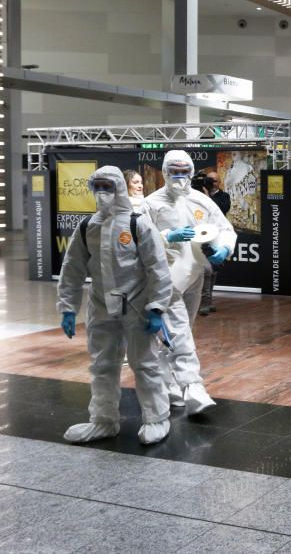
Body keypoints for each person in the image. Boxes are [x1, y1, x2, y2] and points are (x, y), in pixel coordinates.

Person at [57, 166, 173, 445]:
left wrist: (157, 307)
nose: (102, 193)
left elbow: (158, 268)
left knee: (144, 364)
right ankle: (103, 420)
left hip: (137, 307)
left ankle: (157, 418)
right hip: (100, 307)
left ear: (119, 188)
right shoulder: (88, 227)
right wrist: (68, 308)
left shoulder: (138, 223)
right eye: (97, 186)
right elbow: (71, 269)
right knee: (102, 365)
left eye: (107, 187)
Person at [145, 150, 237, 414]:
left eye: (184, 171)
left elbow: (224, 229)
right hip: (166, 280)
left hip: (195, 274)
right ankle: (193, 387)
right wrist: (166, 237)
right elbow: (140, 239)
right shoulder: (151, 204)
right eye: (174, 170)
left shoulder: (202, 201)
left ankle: (170, 384)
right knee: (179, 333)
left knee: (177, 332)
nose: (179, 176)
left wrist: (223, 249)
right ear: (164, 171)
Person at [195, 171, 231, 316]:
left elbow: (222, 210)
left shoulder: (224, 196)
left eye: (214, 181)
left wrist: (207, 197)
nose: (211, 183)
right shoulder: (197, 195)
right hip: (199, 235)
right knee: (205, 270)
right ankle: (203, 303)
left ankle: (207, 302)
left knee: (213, 270)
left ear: (219, 182)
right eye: (209, 180)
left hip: (215, 236)